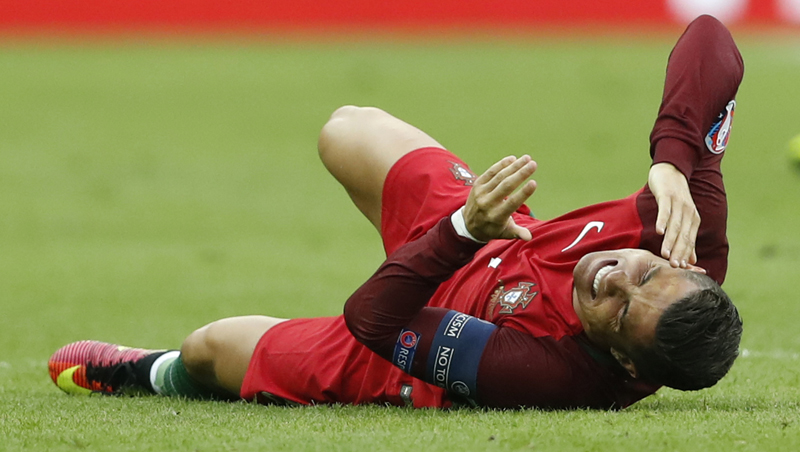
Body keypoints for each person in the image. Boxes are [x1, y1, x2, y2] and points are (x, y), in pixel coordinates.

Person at [49, 15, 743, 409]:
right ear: (686, 266)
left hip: (403, 337)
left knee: (210, 348)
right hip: (494, 234)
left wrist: (461, 230)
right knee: (347, 127)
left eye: (621, 310)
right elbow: (712, 38)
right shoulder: (686, 229)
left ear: (623, 363)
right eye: (649, 276)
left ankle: (147, 371)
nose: (616, 277)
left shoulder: (551, 376)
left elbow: (374, 318)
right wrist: (672, 160)